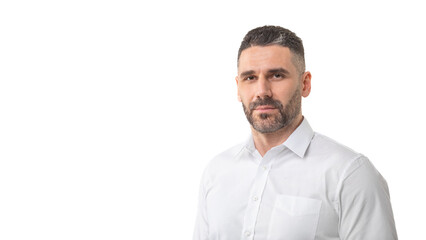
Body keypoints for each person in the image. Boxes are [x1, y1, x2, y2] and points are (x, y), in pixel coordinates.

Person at [193, 25, 398, 240]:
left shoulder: (349, 174)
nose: (262, 91)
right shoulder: (216, 172)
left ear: (305, 84)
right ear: (238, 87)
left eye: (277, 75)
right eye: (250, 78)